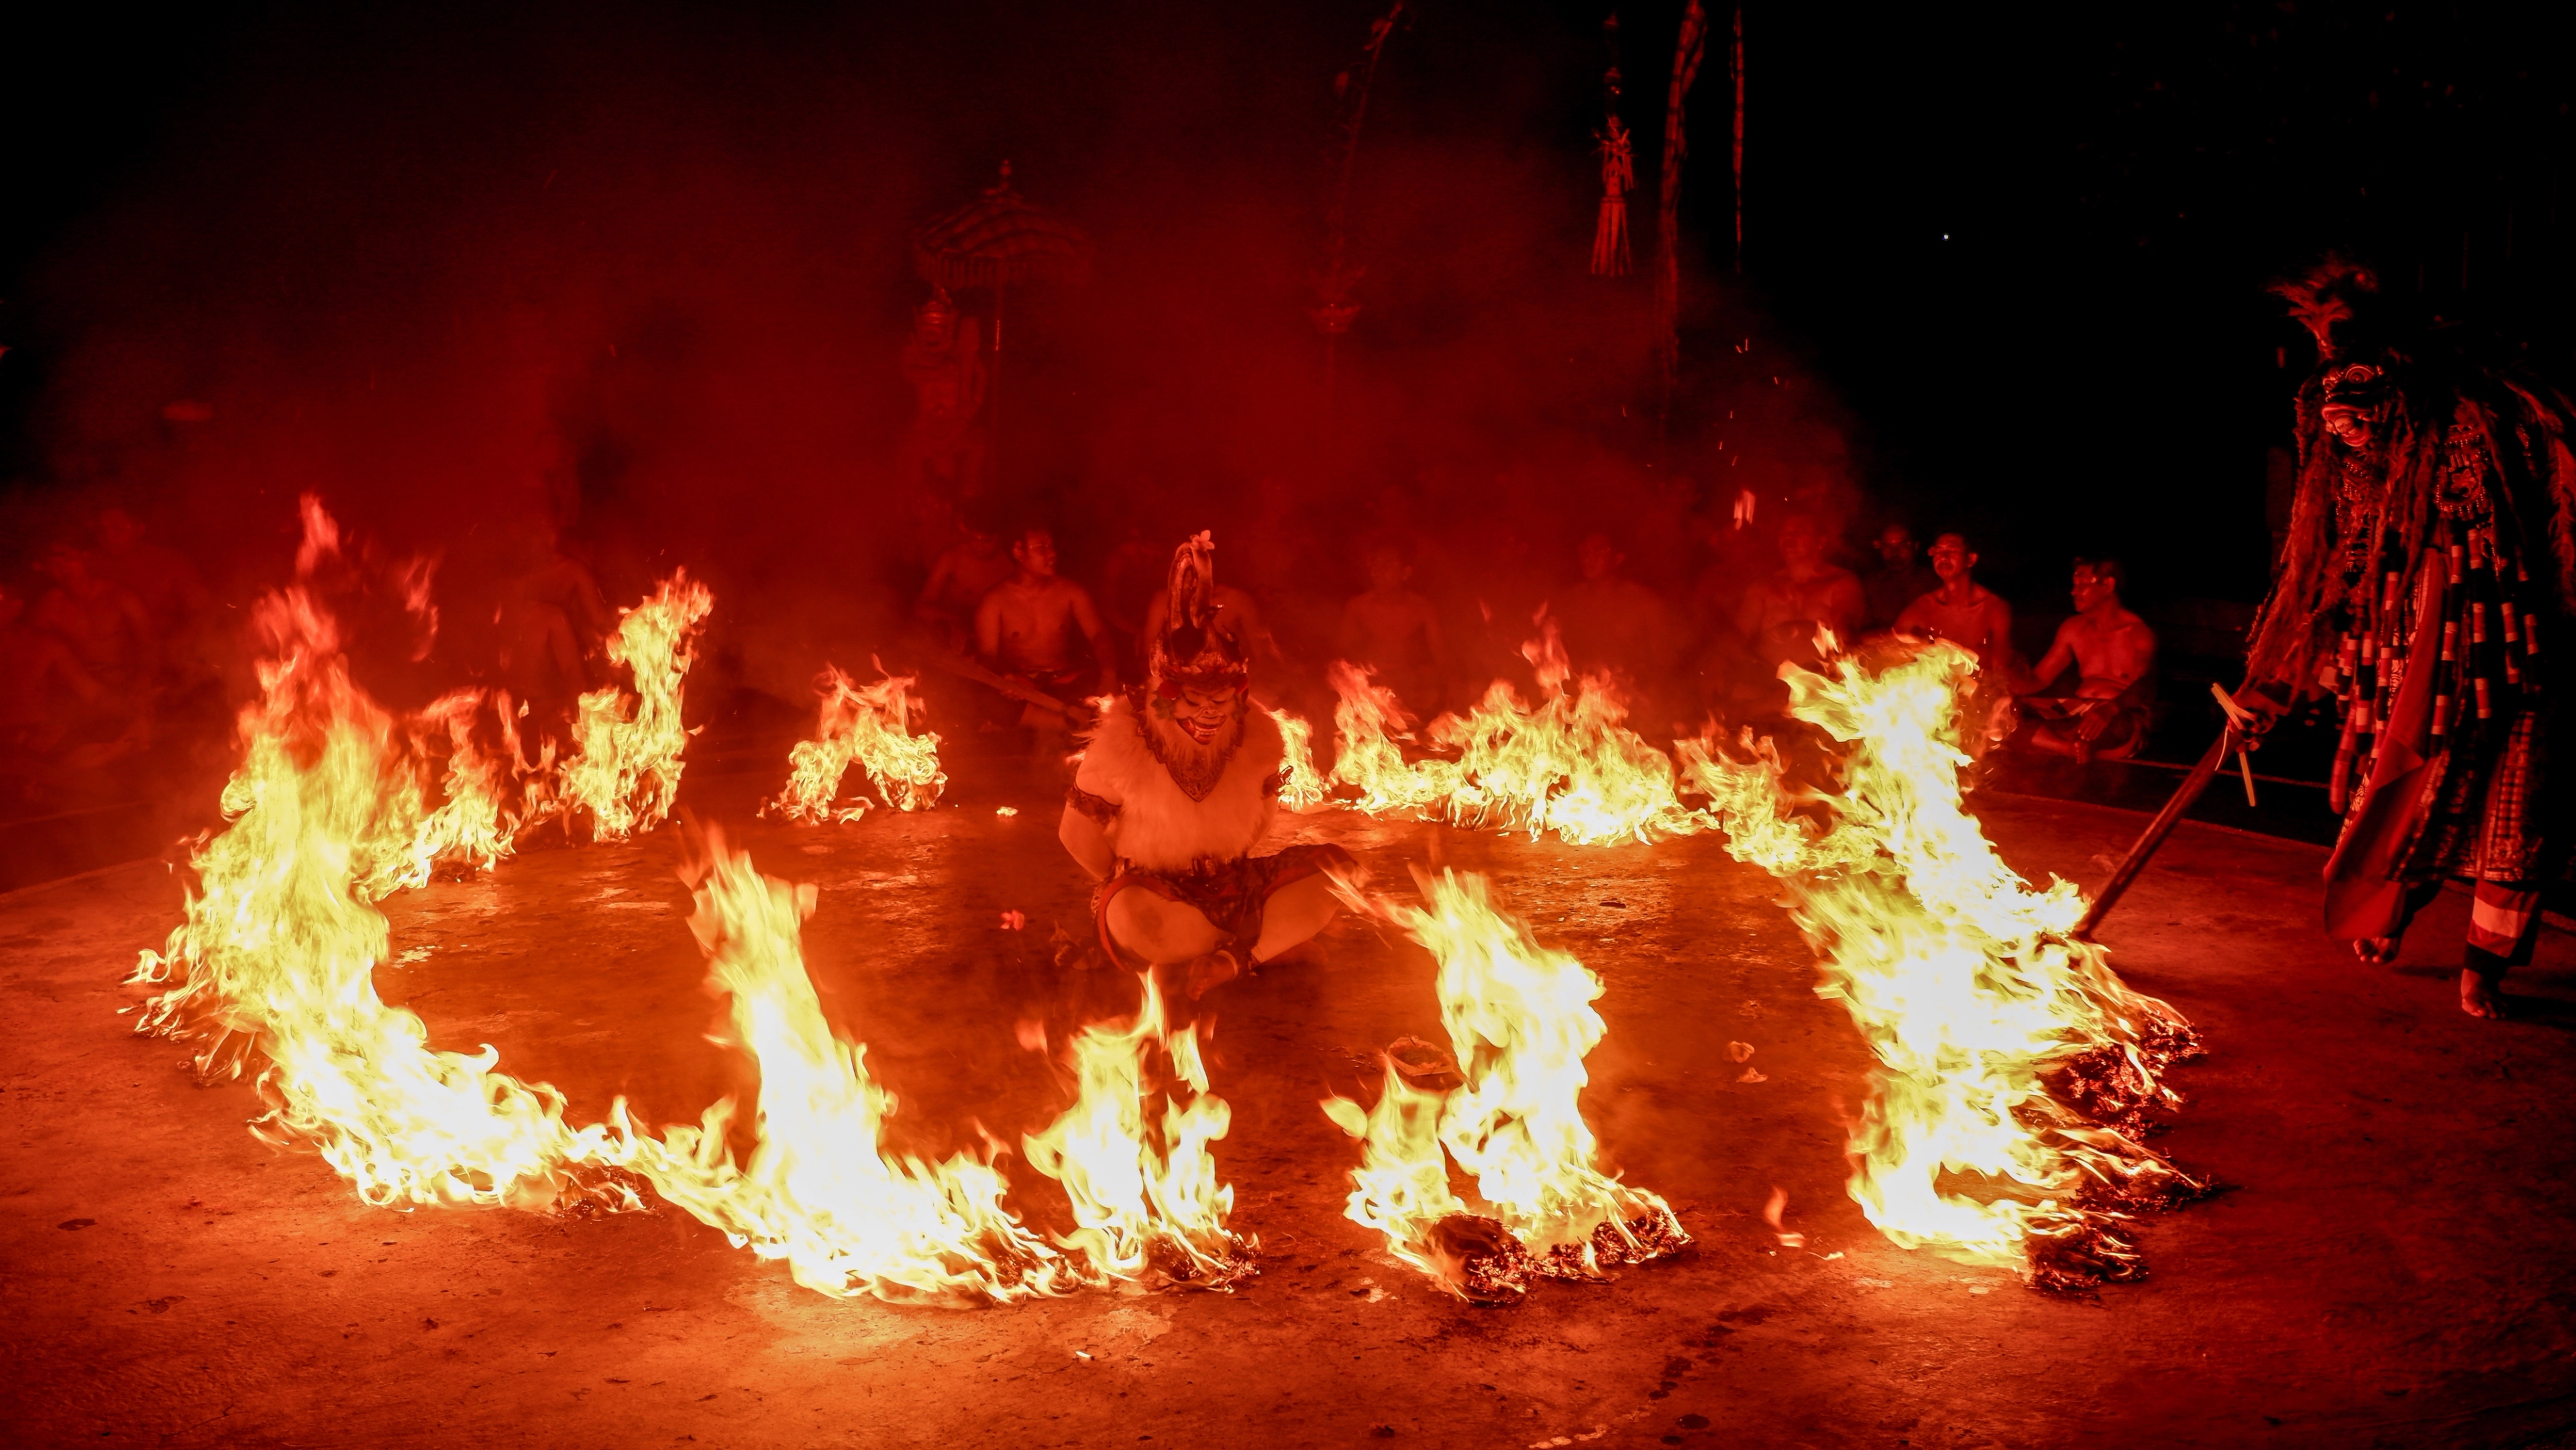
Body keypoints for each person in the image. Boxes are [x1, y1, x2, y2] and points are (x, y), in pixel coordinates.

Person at [2241, 256, 2575, 1018]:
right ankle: (2386, 916)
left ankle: (2483, 966)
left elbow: (2517, 554)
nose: (2352, 441)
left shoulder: (2467, 448)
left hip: (2506, 659)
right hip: (2410, 668)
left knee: (2515, 817)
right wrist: (2277, 690)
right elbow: (2331, 592)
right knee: (2403, 795)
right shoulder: (2360, 494)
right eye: (2339, 433)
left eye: (2363, 424)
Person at [1059, 533, 1352, 999]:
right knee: (1134, 919)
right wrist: (1115, 880)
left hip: (1234, 886)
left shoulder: (1260, 736)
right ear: (1165, 695)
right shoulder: (1124, 740)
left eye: (1221, 699)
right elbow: (1075, 834)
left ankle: (1232, 958)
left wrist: (1229, 867)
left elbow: (1262, 818)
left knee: (1339, 869)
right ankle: (1260, 945)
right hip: (1157, 892)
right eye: (1194, 700)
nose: (1210, 713)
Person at [974, 525, 1118, 747]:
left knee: (1102, 689)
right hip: (1023, 689)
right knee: (989, 701)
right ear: (1019, 552)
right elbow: (987, 657)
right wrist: (1007, 679)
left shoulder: (1071, 591)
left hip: (1065, 682)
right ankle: (1071, 723)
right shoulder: (995, 601)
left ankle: (1059, 721)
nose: (1052, 554)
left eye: (1051, 547)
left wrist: (1109, 674)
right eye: (1042, 548)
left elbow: (1099, 635)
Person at [2015, 558, 2156, 762]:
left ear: (2107, 585)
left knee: (2119, 724)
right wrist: (2002, 684)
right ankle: (2069, 748)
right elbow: (2039, 679)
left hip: (2119, 711)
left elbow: (2146, 687)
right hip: (2077, 709)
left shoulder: (2138, 633)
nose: (2074, 591)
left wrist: (2110, 709)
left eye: (2082, 585)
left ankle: (2063, 744)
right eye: (2074, 585)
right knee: (2004, 711)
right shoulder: (2072, 628)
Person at [1735, 514, 1865, 670]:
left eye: (1799, 531)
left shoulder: (1841, 582)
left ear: (1820, 542)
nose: (1789, 536)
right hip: (1765, 678)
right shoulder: (1762, 587)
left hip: (1822, 680)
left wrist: (1800, 629)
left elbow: (1846, 627)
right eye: (1785, 532)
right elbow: (1738, 637)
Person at [1554, 533, 1678, 688]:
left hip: (1630, 698)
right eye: (1585, 551)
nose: (1588, 558)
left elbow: (1666, 662)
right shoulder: (1569, 601)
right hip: (1580, 698)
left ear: (1618, 558)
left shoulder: (1645, 602)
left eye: (1598, 551)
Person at [1338, 543, 1446, 717]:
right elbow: (1343, 656)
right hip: (1370, 685)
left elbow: (1442, 658)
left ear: (1405, 573)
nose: (1378, 572)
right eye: (1375, 564)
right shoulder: (1358, 607)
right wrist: (1361, 678)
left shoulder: (1422, 609)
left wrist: (1435, 681)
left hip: (1410, 684)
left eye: (1388, 564)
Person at [1894, 533, 2012, 663]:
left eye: (1952, 550)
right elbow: (1889, 644)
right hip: (1937, 682)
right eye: (1938, 551)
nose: (1944, 557)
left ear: (1971, 560)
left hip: (1984, 682)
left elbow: (2002, 669)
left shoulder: (1993, 609)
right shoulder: (1924, 607)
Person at [915, 507, 1017, 651]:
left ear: (1000, 537)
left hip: (997, 643)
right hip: (953, 639)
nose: (979, 547)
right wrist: (956, 619)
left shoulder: (1012, 565)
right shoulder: (952, 558)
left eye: (987, 541)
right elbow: (921, 608)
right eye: (973, 539)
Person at [1862, 522, 1940, 631]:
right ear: (1879, 547)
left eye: (1902, 545)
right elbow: (1862, 631)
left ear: (1915, 547)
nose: (1895, 553)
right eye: (1887, 546)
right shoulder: (1870, 586)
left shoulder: (1934, 584)